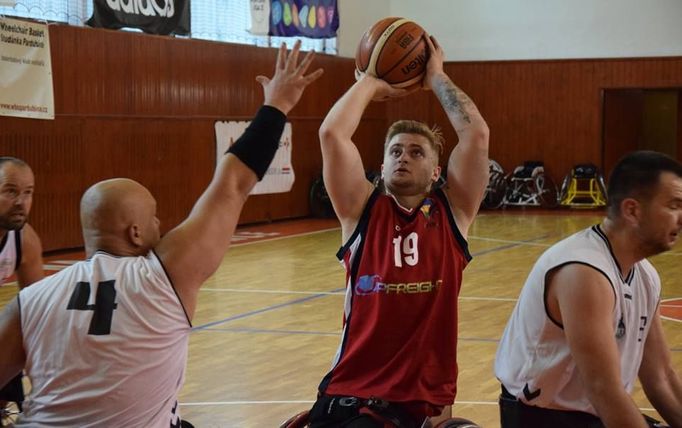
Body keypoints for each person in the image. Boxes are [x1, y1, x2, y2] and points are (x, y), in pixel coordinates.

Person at [0, 41, 323, 428]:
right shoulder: (162, 279)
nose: (161, 225)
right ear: (135, 233)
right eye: (155, 218)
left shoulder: (29, 301)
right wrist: (277, 105)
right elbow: (234, 181)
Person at [309, 34, 489, 428]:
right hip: (354, 391)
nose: (403, 157)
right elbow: (332, 135)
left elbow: (475, 135)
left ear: (437, 171)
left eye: (416, 152)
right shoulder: (361, 211)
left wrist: (435, 76)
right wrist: (371, 81)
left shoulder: (453, 212)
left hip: (424, 396)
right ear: (382, 165)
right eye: (395, 151)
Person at [495, 150, 682, 428]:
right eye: (674, 205)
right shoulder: (583, 271)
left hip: (591, 414)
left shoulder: (645, 275)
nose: (680, 216)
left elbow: (661, 378)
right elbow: (605, 391)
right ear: (632, 210)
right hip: (542, 418)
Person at [0, 157, 44, 414]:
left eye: (28, 192)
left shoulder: (24, 239)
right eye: (10, 191)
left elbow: (37, 313)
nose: (21, 202)